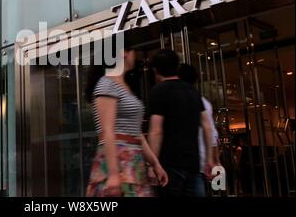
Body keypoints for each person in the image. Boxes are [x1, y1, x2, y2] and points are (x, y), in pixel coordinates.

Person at [85, 36, 168, 197]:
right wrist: (114, 173)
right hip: (117, 160)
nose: (134, 56)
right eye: (132, 52)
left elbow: (136, 134)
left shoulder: (124, 87)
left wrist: (155, 164)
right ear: (124, 53)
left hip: (133, 161)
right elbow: (107, 131)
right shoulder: (106, 84)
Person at [148, 50, 214, 197]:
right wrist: (209, 159)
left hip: (169, 164)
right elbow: (207, 127)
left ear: (155, 70)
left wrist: (153, 164)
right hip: (194, 163)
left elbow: (156, 131)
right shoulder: (193, 91)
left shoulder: (158, 91)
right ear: (177, 67)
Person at [178, 63, 220, 196]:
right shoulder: (204, 102)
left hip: (178, 161)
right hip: (199, 161)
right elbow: (213, 134)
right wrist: (214, 161)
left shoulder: (173, 99)